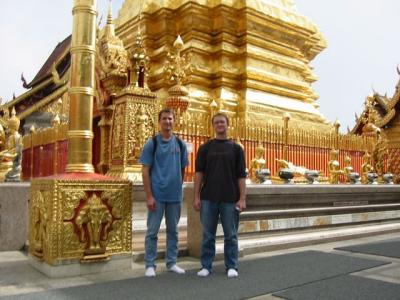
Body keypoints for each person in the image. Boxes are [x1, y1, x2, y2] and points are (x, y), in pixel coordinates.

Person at [193, 112, 246, 278]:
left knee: (231, 235)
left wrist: (242, 198)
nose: (219, 125)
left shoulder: (236, 149)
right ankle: (206, 266)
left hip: (230, 198)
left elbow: (241, 176)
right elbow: (199, 174)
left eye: (222, 122)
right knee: (208, 235)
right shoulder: (205, 148)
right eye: (216, 122)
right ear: (213, 125)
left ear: (227, 124)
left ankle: (232, 265)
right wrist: (196, 196)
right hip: (208, 197)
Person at [140, 108, 189, 277]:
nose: (168, 122)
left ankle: (172, 262)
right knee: (152, 231)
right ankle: (150, 264)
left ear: (174, 121)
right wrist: (149, 195)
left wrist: (177, 187)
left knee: (173, 231)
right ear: (159, 121)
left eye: (170, 119)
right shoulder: (152, 143)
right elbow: (145, 171)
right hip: (157, 195)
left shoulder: (181, 144)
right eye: (165, 119)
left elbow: (183, 169)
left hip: (174, 196)